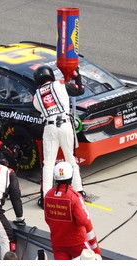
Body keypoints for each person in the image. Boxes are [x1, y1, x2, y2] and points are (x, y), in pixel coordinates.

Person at [32, 65, 85, 208]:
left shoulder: (36, 96)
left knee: (48, 164)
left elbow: (39, 108)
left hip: (49, 128)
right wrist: (77, 75)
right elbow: (80, 90)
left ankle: (45, 198)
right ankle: (79, 191)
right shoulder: (61, 84)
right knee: (70, 159)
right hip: (66, 124)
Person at [44, 161, 97, 260]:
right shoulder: (75, 197)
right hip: (77, 243)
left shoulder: (48, 196)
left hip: (58, 242)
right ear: (71, 177)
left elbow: (47, 219)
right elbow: (83, 220)